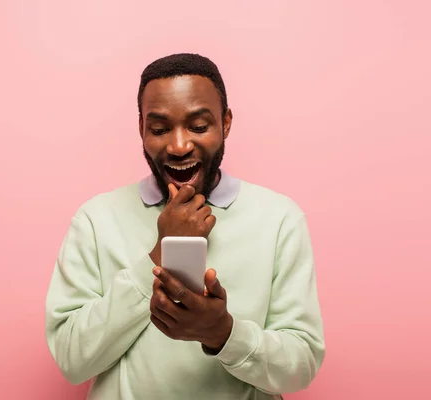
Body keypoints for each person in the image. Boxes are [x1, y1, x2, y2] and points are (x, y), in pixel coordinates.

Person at [45, 53, 325, 400]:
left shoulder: (279, 219)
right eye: (160, 129)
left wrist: (223, 333)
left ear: (226, 123)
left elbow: (300, 368)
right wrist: (161, 250)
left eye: (198, 126)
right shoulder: (96, 219)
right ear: (141, 129)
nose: (179, 146)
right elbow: (72, 359)